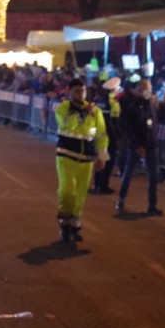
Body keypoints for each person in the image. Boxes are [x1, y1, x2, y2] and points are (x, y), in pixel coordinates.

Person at [53, 78, 109, 244]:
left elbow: (101, 135)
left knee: (80, 195)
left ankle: (75, 226)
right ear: (69, 92)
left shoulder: (95, 111)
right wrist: (84, 113)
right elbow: (67, 125)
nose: (80, 94)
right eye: (76, 91)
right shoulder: (63, 108)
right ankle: (64, 223)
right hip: (66, 156)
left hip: (86, 160)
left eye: (83, 91)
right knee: (67, 191)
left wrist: (102, 157)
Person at [116, 77, 161, 215]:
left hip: (151, 145)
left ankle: (152, 205)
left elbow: (152, 124)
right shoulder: (133, 106)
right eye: (146, 89)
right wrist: (137, 146)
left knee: (153, 176)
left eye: (150, 89)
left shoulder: (151, 105)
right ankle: (121, 198)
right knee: (128, 173)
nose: (149, 92)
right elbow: (129, 128)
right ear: (140, 90)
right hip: (136, 145)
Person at [89, 76, 122, 195]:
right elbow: (114, 122)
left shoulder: (99, 101)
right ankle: (103, 185)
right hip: (109, 137)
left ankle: (96, 184)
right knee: (109, 161)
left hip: (99, 135)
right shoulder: (114, 104)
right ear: (114, 89)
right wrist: (116, 137)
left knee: (100, 158)